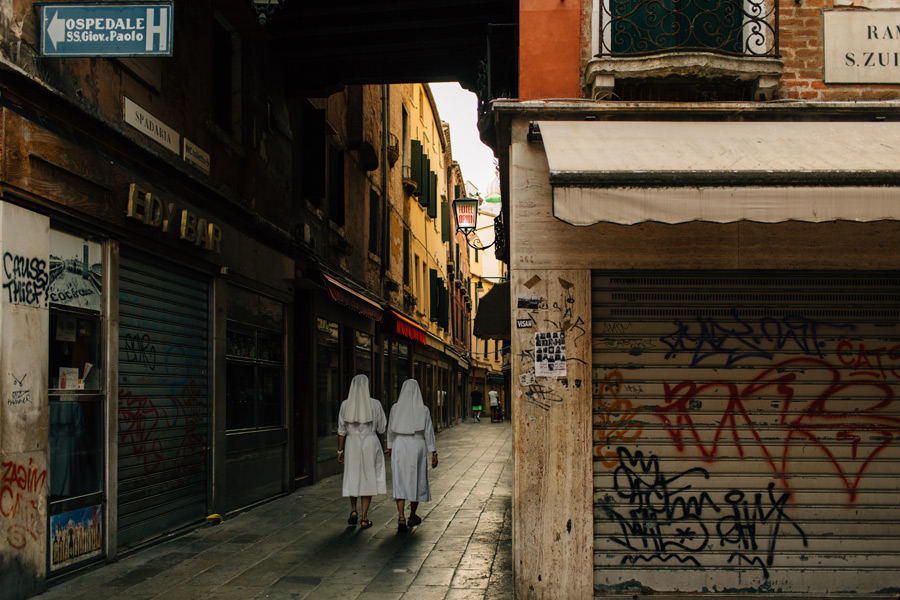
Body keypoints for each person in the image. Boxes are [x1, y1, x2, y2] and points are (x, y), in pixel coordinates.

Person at [386, 379, 438, 532]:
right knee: (417, 479)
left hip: (399, 445)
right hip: (417, 446)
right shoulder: (424, 409)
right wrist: (433, 452)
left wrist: (390, 446)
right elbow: (428, 432)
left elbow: (390, 429)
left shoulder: (395, 408)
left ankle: (401, 516)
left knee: (400, 479)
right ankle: (412, 515)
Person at [337, 374, 386, 529]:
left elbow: (341, 430)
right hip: (369, 442)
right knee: (367, 477)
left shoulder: (345, 404)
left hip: (351, 443)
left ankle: (353, 510)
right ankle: (364, 518)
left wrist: (340, 450)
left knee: (353, 475)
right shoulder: (375, 404)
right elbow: (381, 427)